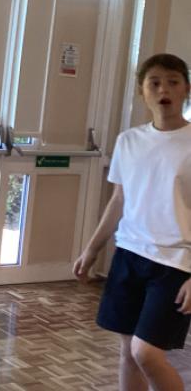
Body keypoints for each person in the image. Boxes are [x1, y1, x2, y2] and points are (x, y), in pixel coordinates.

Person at [74, 53, 191, 391]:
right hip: (129, 255)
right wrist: (91, 250)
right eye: (154, 83)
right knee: (128, 353)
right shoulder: (128, 140)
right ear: (142, 92)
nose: (163, 89)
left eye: (173, 82)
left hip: (176, 263)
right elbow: (119, 200)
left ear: (186, 89)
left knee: (146, 353)